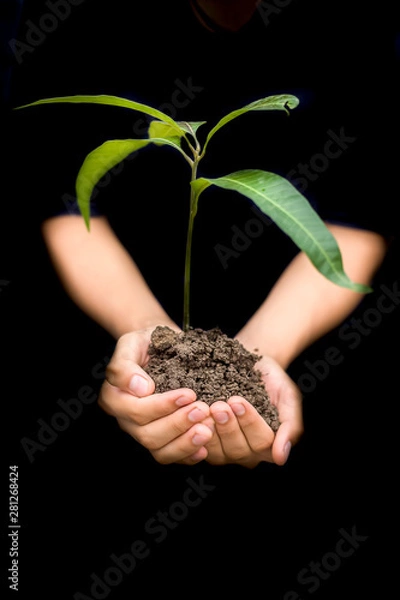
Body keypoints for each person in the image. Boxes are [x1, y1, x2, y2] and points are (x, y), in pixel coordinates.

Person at [9, 0, 397, 469]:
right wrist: (149, 336)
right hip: (89, 368)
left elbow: (360, 213)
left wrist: (261, 352)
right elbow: (66, 205)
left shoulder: (360, 25)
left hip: (313, 358)